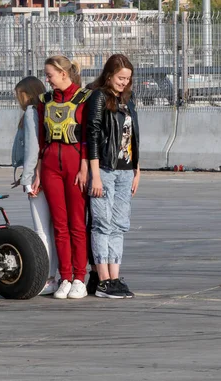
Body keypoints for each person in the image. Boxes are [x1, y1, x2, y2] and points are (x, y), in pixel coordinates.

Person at [31, 55, 91, 300]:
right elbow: (41, 139)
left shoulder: (84, 98)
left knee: (77, 223)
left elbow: (88, 135)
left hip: (75, 163)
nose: (47, 79)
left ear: (64, 74)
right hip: (50, 167)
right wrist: (37, 170)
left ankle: (80, 277)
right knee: (59, 224)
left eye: (50, 75)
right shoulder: (44, 101)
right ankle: (64, 276)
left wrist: (85, 166)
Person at [86, 54, 140, 299]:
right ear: (109, 75)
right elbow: (93, 136)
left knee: (119, 225)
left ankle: (115, 277)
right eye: (120, 78)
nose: (124, 83)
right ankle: (103, 279)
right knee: (102, 224)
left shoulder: (128, 99)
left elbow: (133, 136)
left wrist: (137, 169)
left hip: (126, 170)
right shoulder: (98, 97)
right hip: (105, 170)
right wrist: (95, 175)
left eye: (127, 79)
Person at [11, 76, 60, 296]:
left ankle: (47, 278)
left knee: (42, 230)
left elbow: (32, 149)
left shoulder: (31, 113)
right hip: (48, 172)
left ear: (27, 94)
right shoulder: (45, 110)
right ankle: (55, 276)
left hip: (36, 178)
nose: (17, 100)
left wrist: (27, 178)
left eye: (18, 95)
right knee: (51, 229)